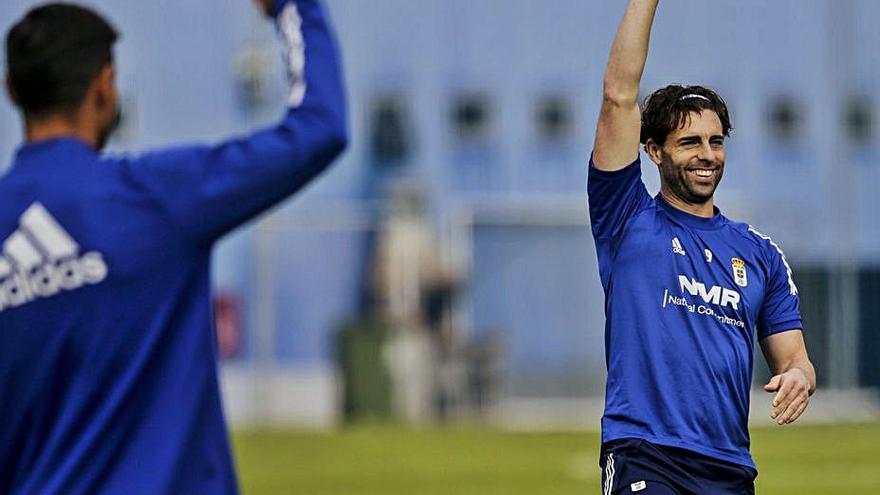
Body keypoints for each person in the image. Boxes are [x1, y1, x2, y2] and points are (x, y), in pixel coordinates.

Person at [0, 0, 346, 493]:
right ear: (105, 85)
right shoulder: (153, 197)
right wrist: (294, 7)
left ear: (11, 91)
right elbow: (319, 128)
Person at [588, 1, 816, 493]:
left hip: (729, 466)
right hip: (644, 452)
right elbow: (618, 96)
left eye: (716, 141)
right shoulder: (626, 219)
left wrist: (800, 377)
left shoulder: (761, 254)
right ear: (653, 151)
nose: (707, 155)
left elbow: (794, 358)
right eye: (690, 142)